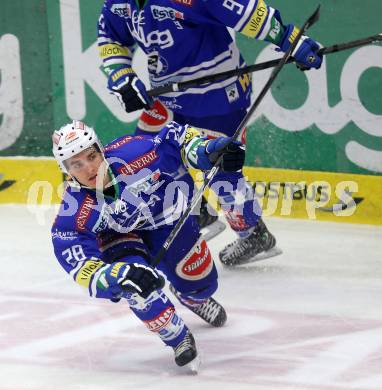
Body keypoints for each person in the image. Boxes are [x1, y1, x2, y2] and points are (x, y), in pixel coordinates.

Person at [96, 0, 322, 263]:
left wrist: (290, 39)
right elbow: (110, 36)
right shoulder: (118, 3)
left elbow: (247, 12)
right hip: (169, 96)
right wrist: (121, 74)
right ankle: (197, 213)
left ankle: (253, 234)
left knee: (220, 169)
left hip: (218, 95)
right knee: (145, 153)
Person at [51, 119, 258, 368]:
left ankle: (191, 296)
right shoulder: (75, 210)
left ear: (101, 149)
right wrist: (113, 275)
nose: (89, 168)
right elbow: (75, 257)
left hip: (167, 222)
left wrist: (207, 151)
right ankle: (177, 337)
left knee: (202, 284)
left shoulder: (135, 153)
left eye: (91, 156)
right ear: (67, 171)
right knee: (135, 284)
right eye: (76, 164)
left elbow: (177, 137)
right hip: (120, 239)